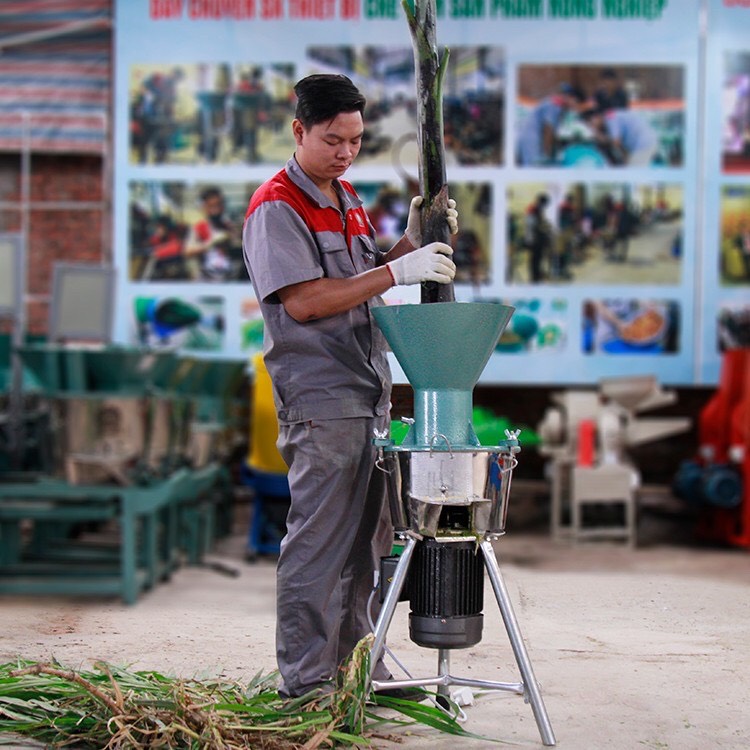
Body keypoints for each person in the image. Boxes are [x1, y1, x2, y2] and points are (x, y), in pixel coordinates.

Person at [242, 74, 458, 700]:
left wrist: (414, 241)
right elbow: (307, 302)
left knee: (368, 545)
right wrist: (398, 269)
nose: (344, 152)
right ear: (299, 131)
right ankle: (306, 684)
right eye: (332, 139)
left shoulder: (346, 198)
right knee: (319, 545)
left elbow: (363, 281)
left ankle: (356, 670)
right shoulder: (277, 205)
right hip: (322, 399)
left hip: (369, 392)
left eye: (356, 141)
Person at [516, 83, 586, 166]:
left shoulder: (561, 107)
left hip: (532, 137)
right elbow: (548, 130)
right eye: (576, 103)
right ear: (572, 98)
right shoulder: (554, 104)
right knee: (533, 168)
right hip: (532, 139)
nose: (575, 107)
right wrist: (547, 155)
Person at [184, 186, 241, 281]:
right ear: (204, 207)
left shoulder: (228, 226)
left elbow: (239, 246)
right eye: (212, 206)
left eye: (219, 205)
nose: (216, 210)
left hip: (228, 276)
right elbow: (188, 251)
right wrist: (210, 243)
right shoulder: (200, 227)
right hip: (207, 277)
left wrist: (231, 240)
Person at [581, 106, 658, 166]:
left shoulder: (610, 118)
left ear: (596, 117)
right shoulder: (610, 120)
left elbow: (616, 142)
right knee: (631, 173)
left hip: (643, 145)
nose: (592, 127)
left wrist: (600, 137)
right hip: (643, 145)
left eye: (590, 124)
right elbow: (621, 147)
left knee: (634, 175)